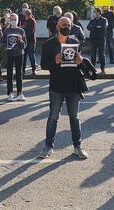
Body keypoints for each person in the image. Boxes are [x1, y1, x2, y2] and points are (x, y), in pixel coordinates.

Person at [38, 16, 88, 160]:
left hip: (73, 85)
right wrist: (55, 60)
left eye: (69, 24)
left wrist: (80, 61)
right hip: (56, 86)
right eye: (64, 25)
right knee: (53, 117)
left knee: (75, 117)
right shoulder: (49, 44)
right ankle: (48, 146)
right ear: (58, 27)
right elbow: (43, 65)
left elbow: (80, 64)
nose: (67, 27)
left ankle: (77, 147)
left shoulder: (74, 42)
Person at [2, 13, 26, 102]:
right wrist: (5, 47)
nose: (13, 21)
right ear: (9, 20)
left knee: (19, 74)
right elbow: (3, 43)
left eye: (15, 19)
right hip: (9, 54)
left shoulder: (21, 31)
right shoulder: (6, 31)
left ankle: (20, 93)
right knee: (9, 75)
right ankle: (10, 93)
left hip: (19, 54)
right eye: (11, 19)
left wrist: (21, 41)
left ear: (18, 20)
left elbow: (25, 45)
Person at [87, 7, 108, 74]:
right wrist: (96, 27)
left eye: (94, 12)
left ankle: (103, 69)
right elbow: (88, 27)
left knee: (101, 54)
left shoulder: (104, 20)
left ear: (99, 12)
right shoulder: (92, 20)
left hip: (101, 39)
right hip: (93, 39)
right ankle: (92, 69)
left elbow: (104, 28)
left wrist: (94, 27)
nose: (93, 13)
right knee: (93, 55)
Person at [22, 9, 38, 76]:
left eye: (28, 14)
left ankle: (34, 70)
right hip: (24, 41)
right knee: (24, 57)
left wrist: (23, 30)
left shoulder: (32, 21)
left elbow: (31, 32)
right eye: (26, 14)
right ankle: (23, 70)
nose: (27, 16)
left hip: (31, 41)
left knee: (31, 56)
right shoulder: (24, 21)